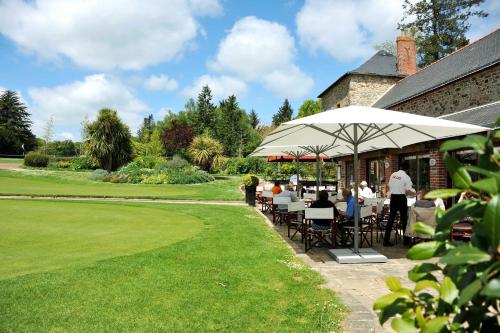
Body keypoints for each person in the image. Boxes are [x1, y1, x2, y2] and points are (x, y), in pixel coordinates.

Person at [384, 161, 415, 246]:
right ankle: (406, 241)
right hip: (401, 198)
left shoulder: (393, 174)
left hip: (393, 197)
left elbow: (389, 185)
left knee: (391, 219)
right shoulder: (406, 177)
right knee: (404, 219)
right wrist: (415, 194)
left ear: (400, 167)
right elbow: (408, 191)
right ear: (407, 169)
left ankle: (385, 240)